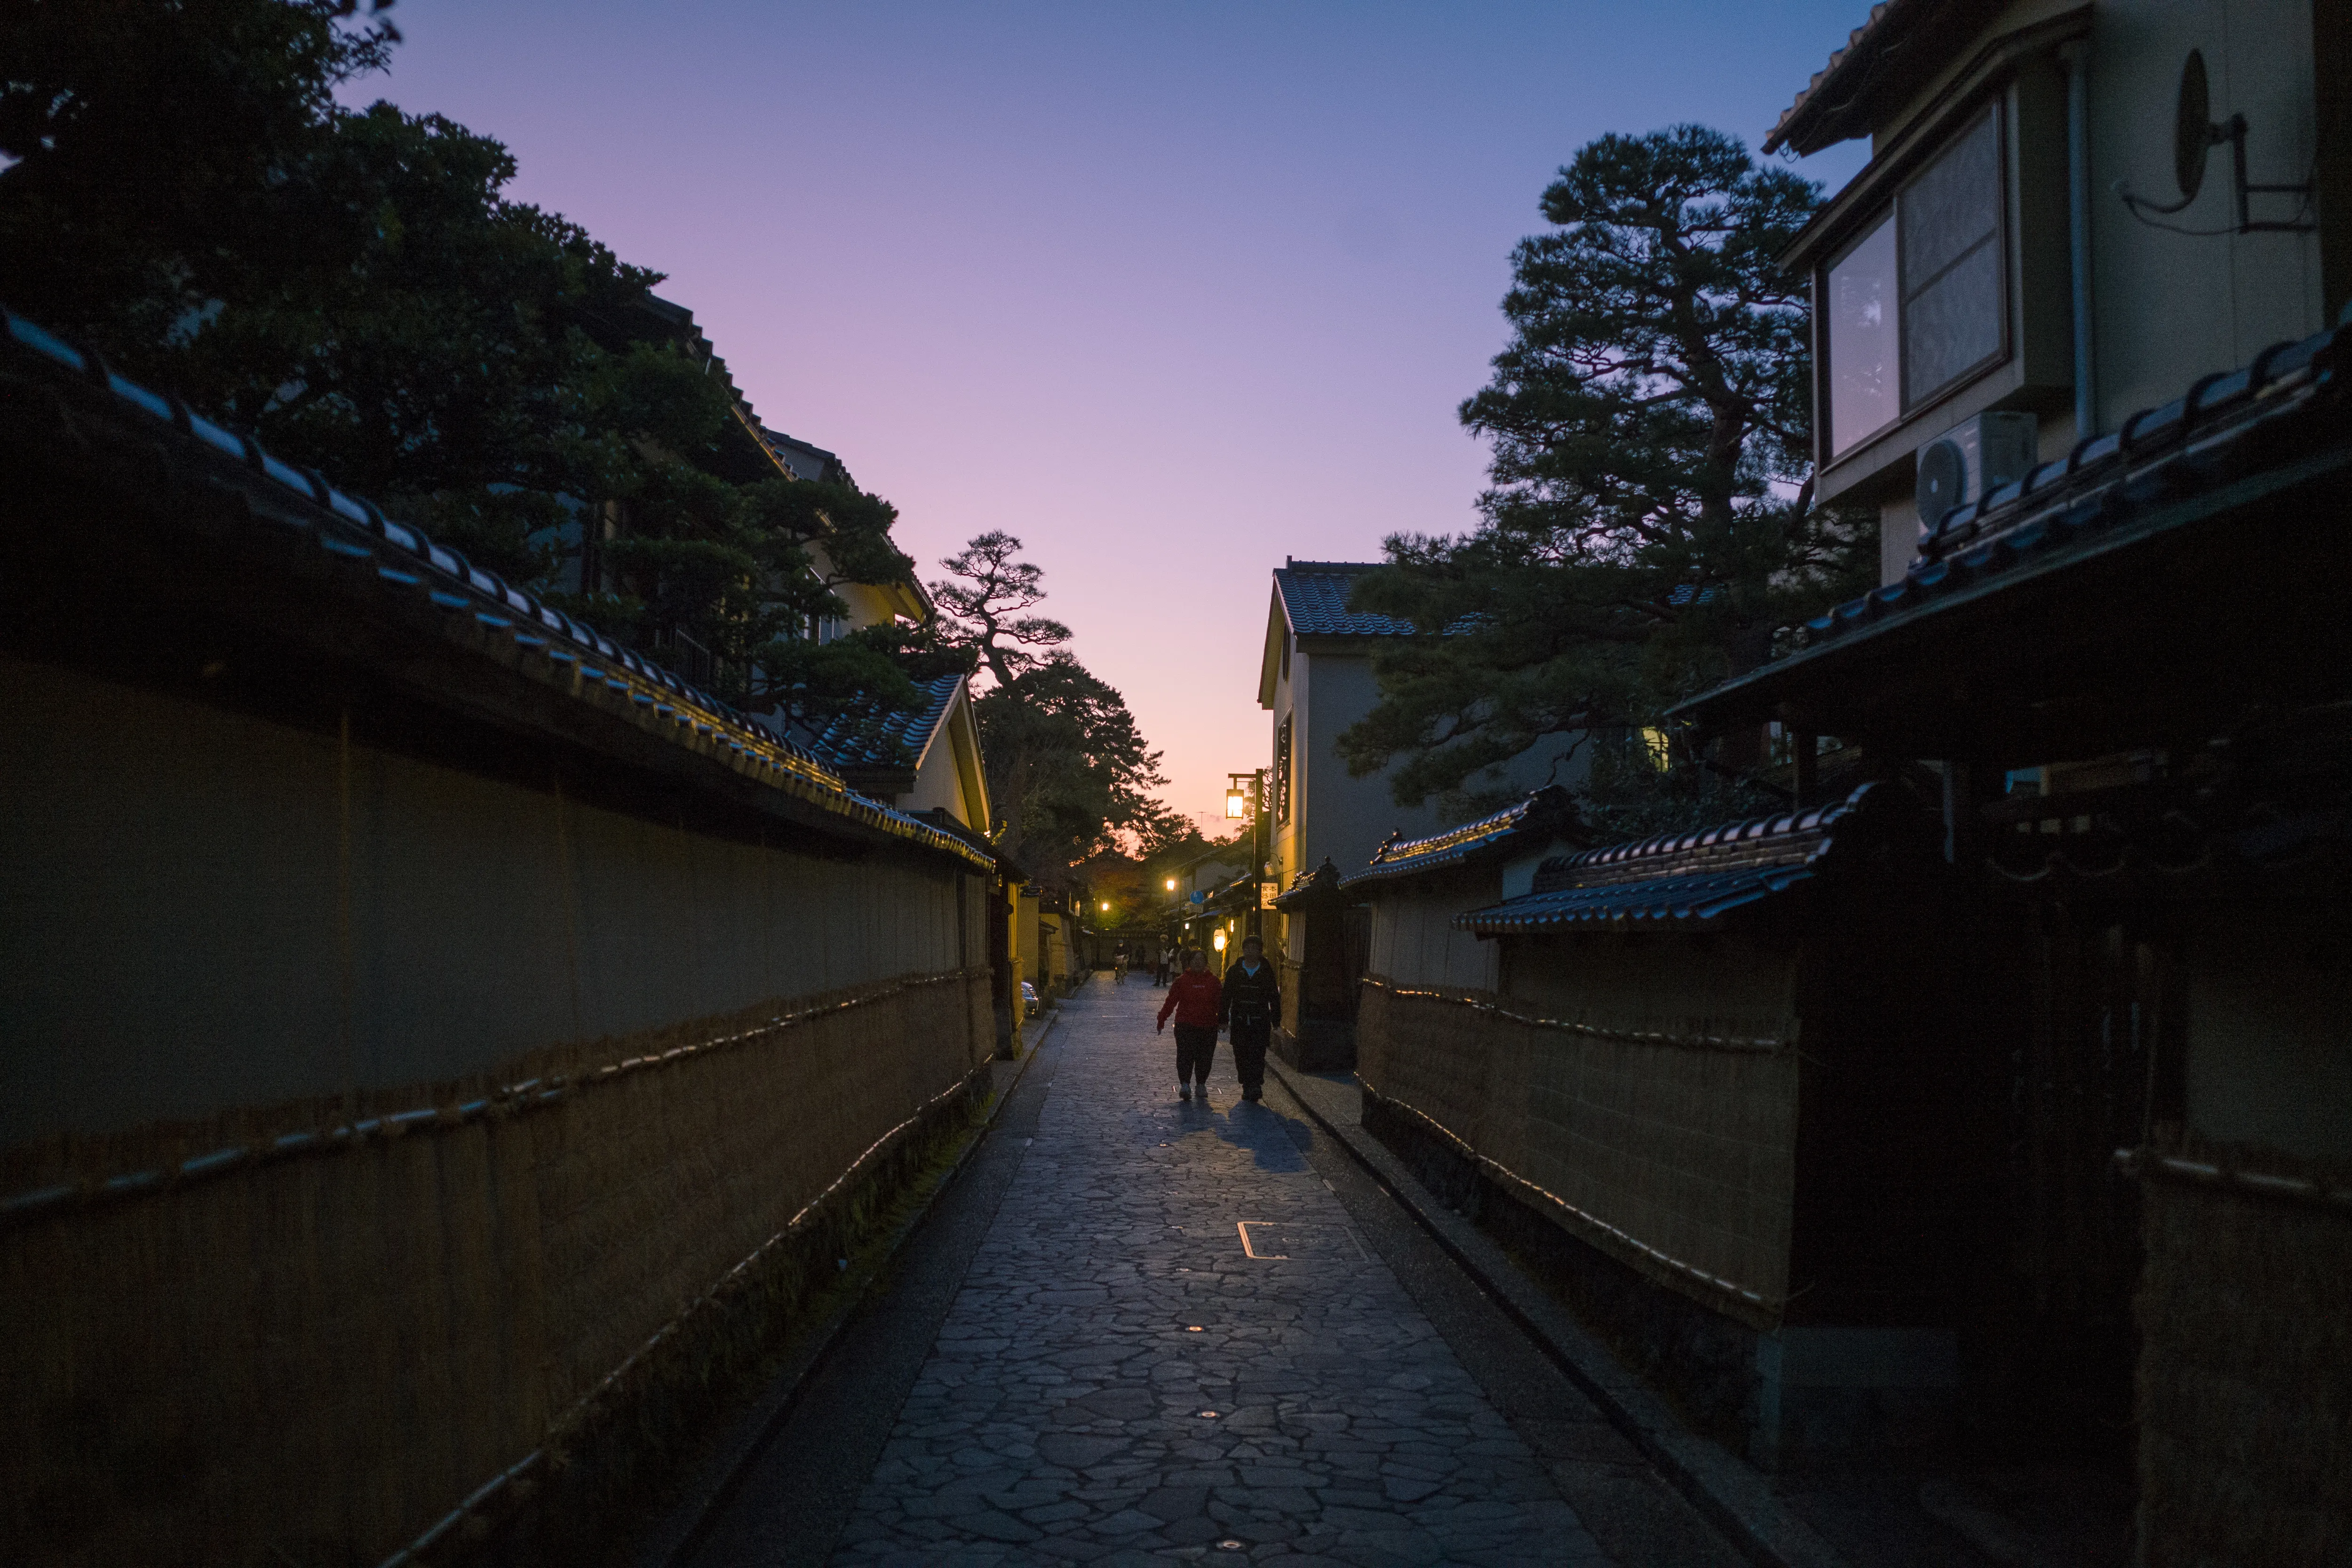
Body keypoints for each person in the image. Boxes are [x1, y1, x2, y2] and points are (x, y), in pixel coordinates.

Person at [1219, 933, 1282, 1103]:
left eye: (1255, 949)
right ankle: (1246, 1083)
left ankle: (1255, 1085)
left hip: (1260, 1019)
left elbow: (1274, 997)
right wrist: (1223, 1018)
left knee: (1257, 1054)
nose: (1251, 951)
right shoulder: (1235, 970)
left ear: (1260, 952)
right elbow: (1226, 996)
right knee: (1240, 1053)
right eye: (1248, 948)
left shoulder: (1266, 971)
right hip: (1239, 1019)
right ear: (1243, 950)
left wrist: (1276, 1019)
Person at [1156, 948, 1221, 1100]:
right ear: (1189, 963)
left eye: (1201, 960)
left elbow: (1221, 1004)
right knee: (1185, 1055)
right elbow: (1171, 1002)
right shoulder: (1181, 981)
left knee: (1205, 1057)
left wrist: (1224, 1021)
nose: (1198, 963)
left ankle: (1201, 1084)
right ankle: (1185, 1084)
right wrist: (1162, 1018)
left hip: (1208, 1025)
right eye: (1195, 960)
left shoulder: (1214, 982)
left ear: (1206, 963)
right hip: (1186, 1025)